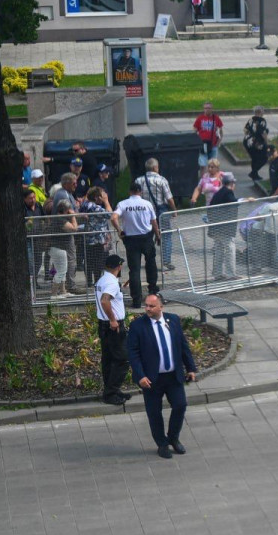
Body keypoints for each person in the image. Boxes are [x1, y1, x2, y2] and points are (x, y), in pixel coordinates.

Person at [127, 293, 197, 459]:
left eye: (151, 306)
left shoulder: (172, 320)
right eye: (146, 306)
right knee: (154, 413)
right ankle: (162, 443)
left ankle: (173, 437)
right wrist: (140, 375)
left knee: (180, 405)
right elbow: (133, 353)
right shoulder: (138, 326)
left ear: (161, 307)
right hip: (151, 379)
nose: (148, 309)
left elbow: (183, 345)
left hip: (173, 376)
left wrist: (191, 368)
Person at [111, 182, 161, 309]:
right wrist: (158, 235)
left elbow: (113, 218)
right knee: (151, 264)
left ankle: (137, 300)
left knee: (134, 270)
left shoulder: (123, 204)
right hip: (146, 237)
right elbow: (154, 222)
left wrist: (119, 230)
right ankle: (153, 291)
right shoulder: (147, 204)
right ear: (140, 191)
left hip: (131, 239)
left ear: (130, 191)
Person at [95, 254, 131, 406]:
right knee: (123, 359)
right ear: (119, 267)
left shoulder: (102, 279)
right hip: (113, 326)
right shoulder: (111, 282)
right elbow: (105, 300)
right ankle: (111, 393)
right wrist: (113, 320)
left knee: (109, 359)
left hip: (103, 325)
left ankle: (112, 390)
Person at [134, 158, 177, 271]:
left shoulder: (139, 181)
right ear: (155, 168)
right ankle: (166, 261)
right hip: (161, 212)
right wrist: (174, 210)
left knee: (148, 236)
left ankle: (149, 259)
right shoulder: (162, 180)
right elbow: (169, 198)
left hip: (145, 213)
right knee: (166, 235)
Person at [206, 175, 245, 281]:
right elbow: (234, 202)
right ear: (231, 184)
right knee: (230, 248)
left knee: (219, 249)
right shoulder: (228, 192)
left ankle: (218, 273)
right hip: (225, 228)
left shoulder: (218, 193)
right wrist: (245, 200)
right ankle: (231, 274)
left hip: (216, 227)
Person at [79, 187, 113, 287]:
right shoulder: (94, 207)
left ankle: (90, 280)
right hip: (96, 239)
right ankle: (97, 282)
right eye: (102, 195)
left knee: (89, 260)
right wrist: (106, 202)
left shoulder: (85, 204)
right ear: (96, 197)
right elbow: (110, 215)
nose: (104, 197)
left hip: (89, 238)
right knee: (97, 261)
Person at [47, 199, 78, 300]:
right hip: (58, 249)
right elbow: (74, 228)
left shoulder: (59, 218)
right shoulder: (60, 220)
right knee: (61, 271)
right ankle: (54, 294)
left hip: (59, 249)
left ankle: (63, 291)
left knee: (62, 270)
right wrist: (73, 216)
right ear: (66, 210)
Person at [23, 187, 46, 290]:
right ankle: (29, 284)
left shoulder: (38, 206)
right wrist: (28, 224)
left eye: (33, 197)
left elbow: (44, 219)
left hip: (38, 238)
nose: (32, 200)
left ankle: (35, 281)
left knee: (38, 261)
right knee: (30, 262)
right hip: (27, 239)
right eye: (30, 198)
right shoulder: (23, 208)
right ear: (24, 199)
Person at [193, 101, 223, 178]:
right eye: (205, 108)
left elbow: (221, 132)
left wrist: (218, 143)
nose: (207, 110)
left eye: (209, 108)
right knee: (203, 165)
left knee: (213, 165)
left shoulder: (216, 118)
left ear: (212, 109)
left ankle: (213, 181)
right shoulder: (200, 118)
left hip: (213, 146)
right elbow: (194, 131)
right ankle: (203, 181)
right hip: (203, 145)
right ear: (203, 109)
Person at [243, 106, 269, 181]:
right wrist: (266, 143)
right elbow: (263, 133)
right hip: (257, 143)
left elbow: (245, 130)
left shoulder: (251, 119)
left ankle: (255, 175)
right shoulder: (262, 121)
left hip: (247, 142)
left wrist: (250, 136)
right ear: (261, 112)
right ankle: (254, 172)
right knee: (264, 158)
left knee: (254, 158)